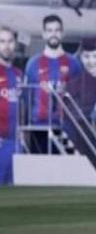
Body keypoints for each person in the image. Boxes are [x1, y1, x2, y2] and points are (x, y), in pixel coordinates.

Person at [24, 15, 82, 152]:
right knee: (39, 171)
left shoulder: (74, 64)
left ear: (62, 33)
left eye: (56, 30)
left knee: (65, 171)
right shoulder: (32, 64)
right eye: (49, 30)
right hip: (38, 129)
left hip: (66, 129)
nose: (53, 34)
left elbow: (79, 99)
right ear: (44, 34)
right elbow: (26, 99)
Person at [0, 25, 22, 185]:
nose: (6, 46)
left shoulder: (19, 74)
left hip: (16, 143)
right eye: (2, 41)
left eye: (10, 41)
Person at [72, 39, 96, 119]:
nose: (91, 61)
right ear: (81, 57)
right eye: (86, 56)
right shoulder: (72, 86)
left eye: (95, 56)